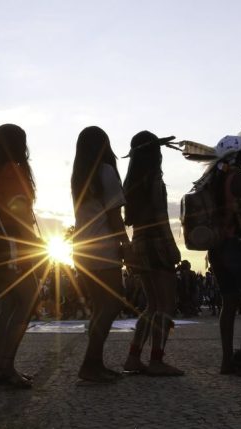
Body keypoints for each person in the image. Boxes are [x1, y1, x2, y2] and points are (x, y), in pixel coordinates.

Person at [183, 132, 241, 376]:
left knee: (229, 301)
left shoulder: (212, 180)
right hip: (236, 246)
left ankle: (227, 361)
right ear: (239, 155)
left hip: (216, 250)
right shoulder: (239, 179)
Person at [0, 124, 41, 389]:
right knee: (27, 301)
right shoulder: (14, 171)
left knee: (9, 306)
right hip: (12, 243)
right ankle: (5, 365)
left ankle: (2, 365)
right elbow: (20, 212)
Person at [71, 126, 133, 383]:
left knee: (100, 306)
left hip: (82, 248)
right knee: (111, 303)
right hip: (103, 246)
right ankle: (90, 362)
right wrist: (126, 244)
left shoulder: (80, 177)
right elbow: (113, 215)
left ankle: (95, 362)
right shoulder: (105, 172)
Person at [119, 131, 183, 376]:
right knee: (166, 304)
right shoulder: (154, 179)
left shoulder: (131, 183)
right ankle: (157, 359)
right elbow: (160, 216)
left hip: (140, 242)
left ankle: (134, 356)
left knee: (151, 305)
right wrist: (172, 246)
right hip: (157, 241)